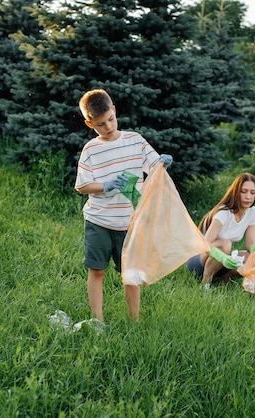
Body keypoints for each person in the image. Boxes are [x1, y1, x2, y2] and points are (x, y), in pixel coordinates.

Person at [74, 89, 172, 323]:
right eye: (100, 124)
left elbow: (154, 167)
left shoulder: (135, 140)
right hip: (99, 221)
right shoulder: (91, 150)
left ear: (115, 111)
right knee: (97, 270)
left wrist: (163, 162)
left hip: (129, 223)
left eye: (110, 119)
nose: (108, 127)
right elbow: (82, 186)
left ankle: (134, 321)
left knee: (131, 274)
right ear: (89, 123)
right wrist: (105, 185)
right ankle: (98, 320)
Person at [185, 173, 255, 288]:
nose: (248, 197)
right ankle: (205, 284)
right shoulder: (223, 213)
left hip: (219, 262)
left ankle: (222, 282)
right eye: (243, 191)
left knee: (251, 257)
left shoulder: (252, 212)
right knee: (225, 244)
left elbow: (250, 244)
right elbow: (205, 244)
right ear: (236, 192)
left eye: (252, 192)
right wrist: (223, 258)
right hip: (197, 261)